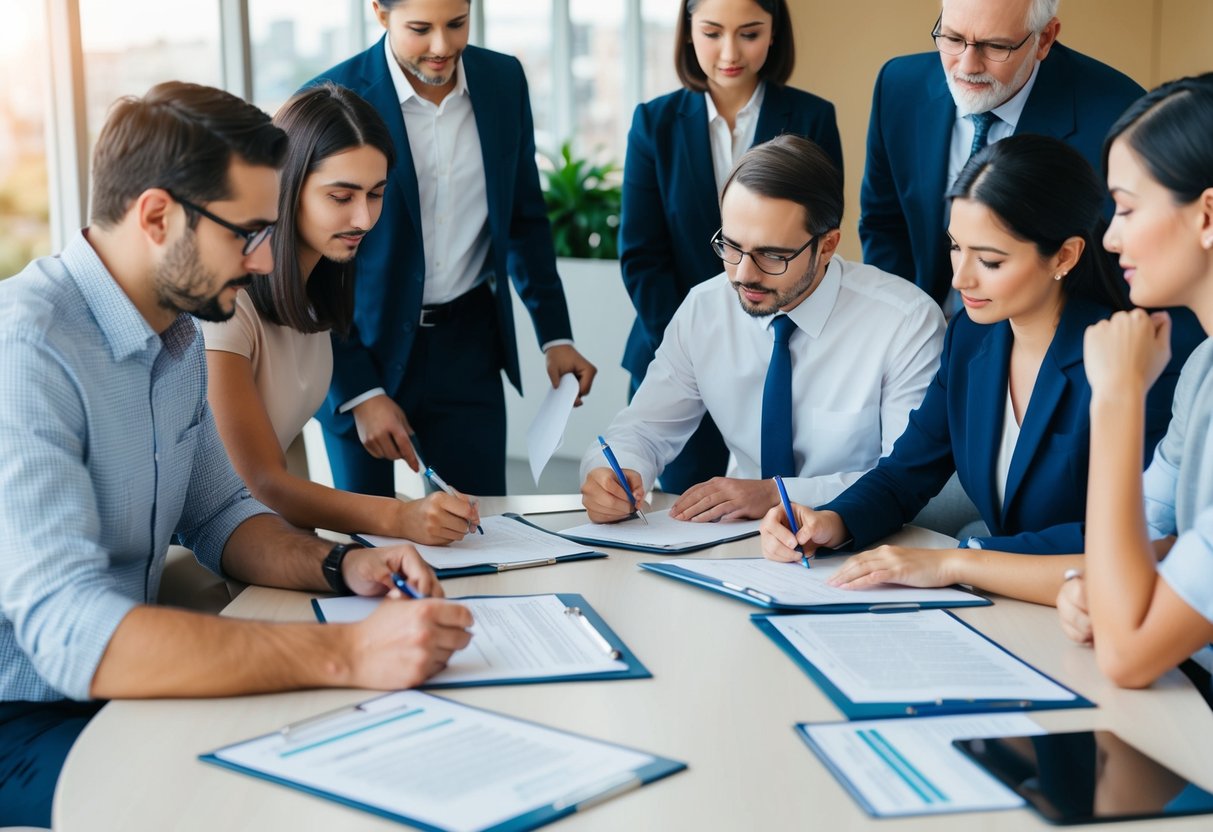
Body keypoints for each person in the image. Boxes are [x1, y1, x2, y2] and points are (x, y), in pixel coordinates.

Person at [0, 82, 474, 828]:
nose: (262, 262)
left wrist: (344, 565)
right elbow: (71, 634)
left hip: (119, 688)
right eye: (245, 233)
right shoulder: (26, 351)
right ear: (156, 216)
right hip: (20, 718)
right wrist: (347, 653)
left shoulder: (178, 334)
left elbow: (223, 513)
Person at [759, 134, 1193, 605]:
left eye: (989, 260)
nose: (960, 278)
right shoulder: (971, 337)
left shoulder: (1134, 355)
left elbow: (1134, 533)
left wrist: (963, 559)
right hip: (1010, 602)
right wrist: (832, 522)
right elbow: (905, 472)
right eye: (954, 248)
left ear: (1064, 256)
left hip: (1092, 605)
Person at [311, 0, 597, 497]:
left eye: (457, 24)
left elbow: (524, 217)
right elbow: (306, 263)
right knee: (367, 542)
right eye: (420, 28)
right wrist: (358, 391)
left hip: (468, 347)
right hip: (358, 345)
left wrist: (555, 337)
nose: (443, 46)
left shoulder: (504, 80)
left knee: (477, 530)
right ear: (380, 11)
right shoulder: (329, 100)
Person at [580, 134, 944, 524]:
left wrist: (776, 495)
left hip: (864, 539)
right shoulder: (705, 309)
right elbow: (644, 429)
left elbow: (903, 477)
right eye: (731, 247)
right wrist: (614, 473)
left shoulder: (905, 322)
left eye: (772, 255)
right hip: (737, 539)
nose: (743, 274)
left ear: (827, 246)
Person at [202, 83, 479, 545]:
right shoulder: (227, 304)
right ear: (286, 186)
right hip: (194, 551)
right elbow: (260, 484)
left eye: (375, 194)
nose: (365, 219)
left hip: (256, 537)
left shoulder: (316, 295)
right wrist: (398, 517)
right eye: (341, 196)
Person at [620, 0, 842, 494]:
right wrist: (697, 344)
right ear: (687, 33)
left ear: (774, 33)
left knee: (776, 504)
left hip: (784, 349)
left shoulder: (811, 116)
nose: (729, 52)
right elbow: (641, 254)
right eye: (712, 32)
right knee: (677, 510)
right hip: (676, 348)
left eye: (749, 33)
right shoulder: (654, 122)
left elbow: (816, 235)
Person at [1055, 75, 1213, 703]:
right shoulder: (1202, 369)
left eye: (1125, 207)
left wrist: (1117, 397)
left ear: (1206, 216)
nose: (1110, 237)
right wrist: (1086, 582)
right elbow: (1136, 550)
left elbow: (1128, 654)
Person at [859, 0, 1143, 305]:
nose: (967, 67)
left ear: (1045, 38)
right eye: (953, 38)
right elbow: (884, 224)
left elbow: (1123, 263)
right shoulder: (899, 85)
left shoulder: (1120, 117)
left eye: (995, 46)